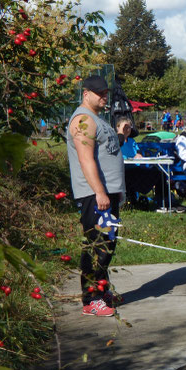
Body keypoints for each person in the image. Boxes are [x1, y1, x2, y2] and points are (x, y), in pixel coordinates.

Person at [67, 75, 125, 317]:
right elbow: (85, 158)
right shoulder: (83, 120)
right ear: (86, 93)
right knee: (96, 245)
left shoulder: (97, 120)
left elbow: (107, 151)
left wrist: (122, 134)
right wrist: (100, 192)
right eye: (99, 93)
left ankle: (101, 290)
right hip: (95, 194)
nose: (104, 96)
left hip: (106, 193)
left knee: (107, 245)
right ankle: (91, 299)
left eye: (105, 93)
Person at [115, 117, 164, 209]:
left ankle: (162, 200)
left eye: (129, 127)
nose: (127, 130)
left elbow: (138, 151)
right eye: (125, 127)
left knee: (159, 172)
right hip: (123, 170)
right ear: (119, 128)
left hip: (136, 168)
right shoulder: (116, 140)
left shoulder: (132, 141)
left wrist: (139, 154)